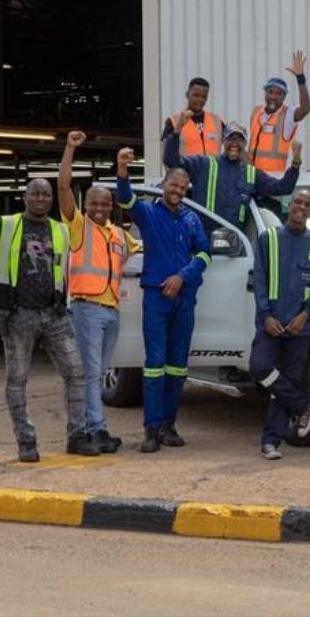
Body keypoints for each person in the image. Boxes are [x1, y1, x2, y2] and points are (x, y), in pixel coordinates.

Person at [0, 180, 98, 462]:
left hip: (55, 314)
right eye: (35, 193)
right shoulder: (6, 225)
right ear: (24, 197)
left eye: (46, 194)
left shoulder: (60, 230)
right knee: (17, 380)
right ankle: (25, 440)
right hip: (17, 314)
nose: (41, 198)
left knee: (76, 373)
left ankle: (77, 436)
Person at [115, 148, 210, 453]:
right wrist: (122, 168)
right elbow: (125, 198)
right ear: (164, 185)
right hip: (156, 298)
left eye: (183, 188)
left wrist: (182, 276)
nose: (178, 191)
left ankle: (170, 425)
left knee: (177, 367)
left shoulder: (192, 218)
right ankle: (151, 430)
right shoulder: (148, 213)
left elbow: (205, 254)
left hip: (183, 298)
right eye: (174, 185)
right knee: (155, 365)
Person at [58, 131, 141, 454]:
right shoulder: (78, 227)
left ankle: (95, 428)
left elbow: (150, 250)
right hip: (87, 309)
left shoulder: (120, 235)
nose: (100, 207)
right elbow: (63, 187)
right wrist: (69, 149)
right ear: (86, 204)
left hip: (112, 312)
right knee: (91, 374)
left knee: (100, 373)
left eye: (105, 202)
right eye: (94, 202)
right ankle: (96, 430)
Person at [250, 189, 310, 460]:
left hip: (300, 328)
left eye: (307, 204)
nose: (302, 207)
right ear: (289, 205)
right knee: (260, 367)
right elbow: (259, 280)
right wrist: (266, 316)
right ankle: (304, 404)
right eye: (298, 201)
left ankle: (270, 442)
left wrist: (304, 316)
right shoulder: (268, 239)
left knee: (287, 381)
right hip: (270, 324)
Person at [164, 117, 300, 228]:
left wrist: (295, 164)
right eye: (230, 138)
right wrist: (177, 131)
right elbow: (171, 161)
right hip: (201, 240)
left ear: (245, 144)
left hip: (235, 247)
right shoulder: (203, 164)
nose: (234, 143)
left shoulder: (251, 174)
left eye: (239, 139)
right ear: (223, 141)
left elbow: (283, 188)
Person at [248, 50, 310, 173]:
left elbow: (305, 109)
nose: (273, 97)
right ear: (265, 93)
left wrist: (300, 79)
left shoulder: (287, 115)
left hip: (273, 180)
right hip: (251, 178)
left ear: (284, 97)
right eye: (270, 92)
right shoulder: (256, 111)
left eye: (278, 94)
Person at [162, 77, 224, 156]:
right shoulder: (173, 122)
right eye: (196, 95)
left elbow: (234, 145)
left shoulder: (217, 121)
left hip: (212, 168)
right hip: (185, 168)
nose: (200, 99)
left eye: (204, 97)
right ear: (187, 94)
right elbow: (165, 155)